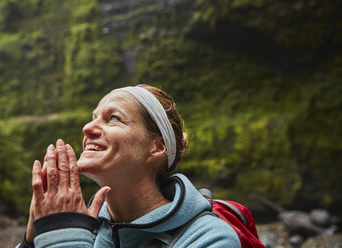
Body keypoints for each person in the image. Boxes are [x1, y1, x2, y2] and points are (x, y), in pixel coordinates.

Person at [17, 85, 241, 248]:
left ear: (157, 146)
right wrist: (31, 242)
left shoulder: (210, 239)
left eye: (113, 118)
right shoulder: (87, 229)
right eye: (93, 118)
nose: (87, 128)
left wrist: (64, 239)